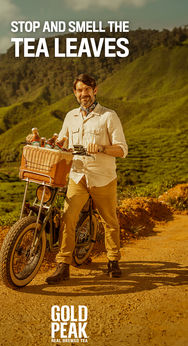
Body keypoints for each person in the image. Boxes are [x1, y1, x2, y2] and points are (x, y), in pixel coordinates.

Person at [45, 73, 128, 284]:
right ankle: (63, 265)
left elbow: (122, 150)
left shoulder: (108, 116)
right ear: (75, 93)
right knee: (68, 218)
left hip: (103, 177)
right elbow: (61, 141)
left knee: (110, 221)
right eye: (80, 90)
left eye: (87, 89)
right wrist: (42, 140)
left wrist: (101, 148)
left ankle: (113, 260)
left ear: (95, 90)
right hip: (77, 176)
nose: (84, 94)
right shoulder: (70, 116)